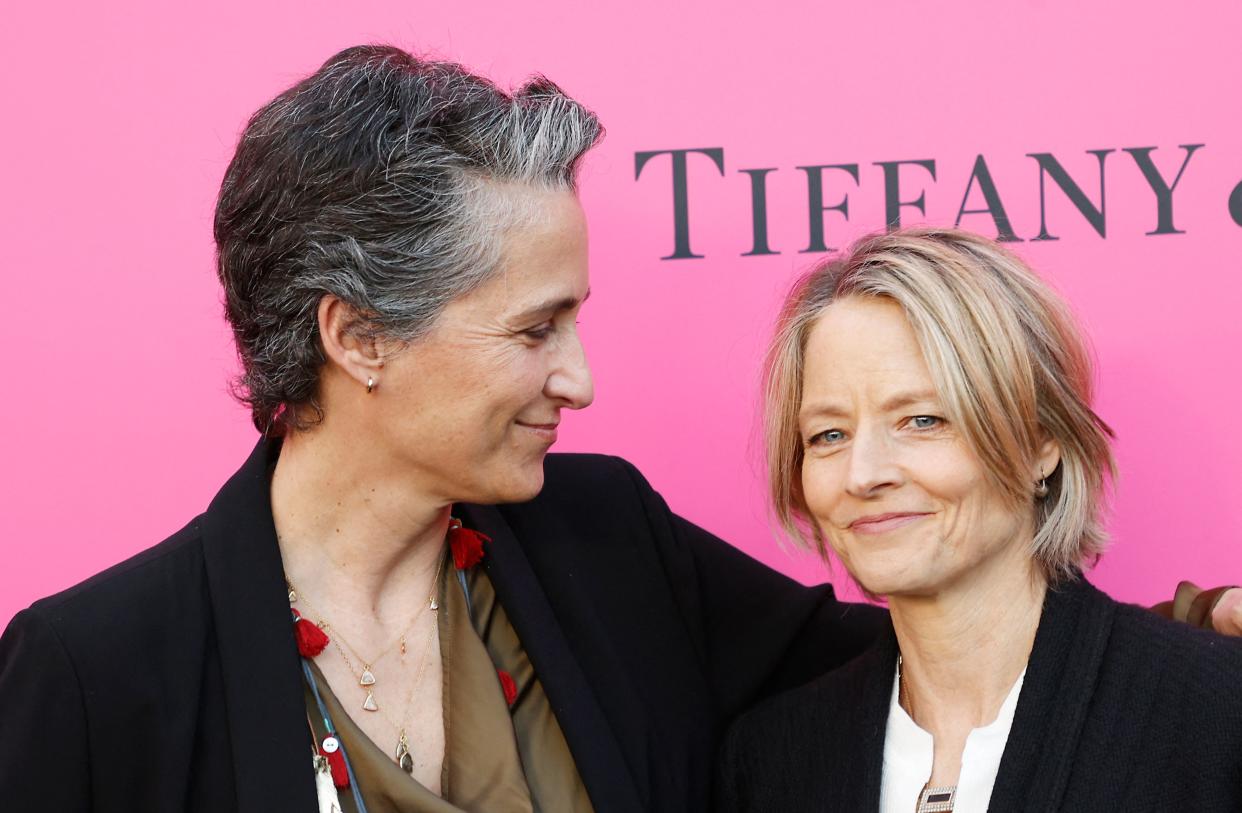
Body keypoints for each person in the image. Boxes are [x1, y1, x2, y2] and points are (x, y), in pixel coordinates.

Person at [0, 48, 1233, 813]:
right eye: (535, 329)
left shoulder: (605, 545)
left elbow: (937, 634)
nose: (579, 379)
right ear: (358, 338)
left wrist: (1200, 638)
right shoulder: (98, 673)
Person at [714, 228, 1242, 812]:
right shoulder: (774, 760)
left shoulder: (1215, 712)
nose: (862, 475)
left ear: (1042, 442)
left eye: (922, 420)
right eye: (829, 434)